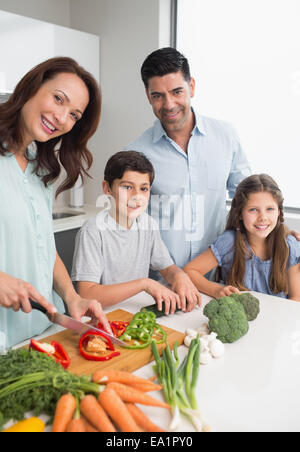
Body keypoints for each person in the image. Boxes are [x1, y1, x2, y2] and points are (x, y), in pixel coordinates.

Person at [0, 57, 111, 349]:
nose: (62, 118)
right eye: (58, 99)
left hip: (42, 332)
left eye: (74, 115)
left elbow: (44, 247)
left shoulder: (41, 166)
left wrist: (72, 297)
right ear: (31, 87)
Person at [124, 47, 251, 271]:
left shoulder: (225, 136)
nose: (169, 104)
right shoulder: (135, 154)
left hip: (215, 279)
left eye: (176, 92)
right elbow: (127, 224)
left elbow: (250, 197)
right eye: (158, 96)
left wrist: (281, 231)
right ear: (148, 96)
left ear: (191, 86)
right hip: (161, 285)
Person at [71, 151, 202, 314]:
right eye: (127, 187)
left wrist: (179, 276)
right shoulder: (93, 231)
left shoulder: (148, 224)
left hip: (135, 313)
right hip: (104, 317)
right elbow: (87, 293)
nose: (136, 196)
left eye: (144, 188)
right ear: (107, 188)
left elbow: (167, 268)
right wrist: (144, 284)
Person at [184, 174, 300, 300]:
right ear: (239, 213)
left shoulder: (289, 246)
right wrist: (216, 290)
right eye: (253, 210)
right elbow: (189, 271)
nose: (263, 217)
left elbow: (296, 298)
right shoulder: (229, 242)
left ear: (279, 212)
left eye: (270, 209)